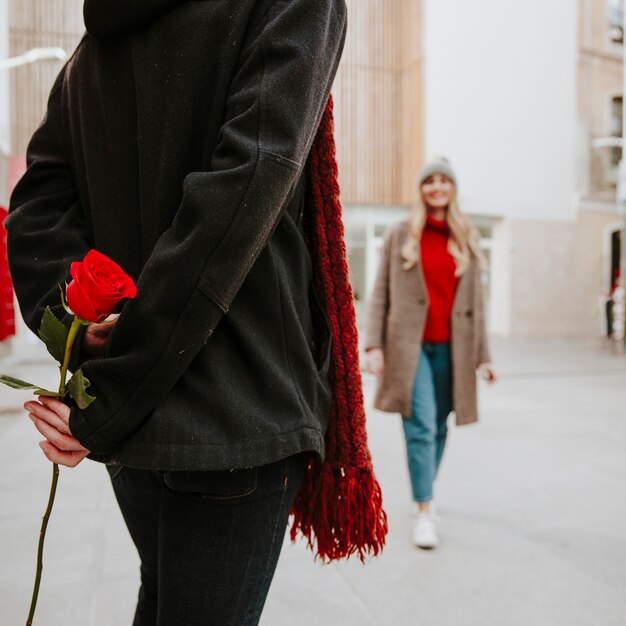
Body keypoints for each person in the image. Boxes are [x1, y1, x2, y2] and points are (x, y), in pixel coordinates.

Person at [6, 1, 387, 624]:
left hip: (140, 423)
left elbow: (39, 204)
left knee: (161, 598)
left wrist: (83, 330)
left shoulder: (93, 49)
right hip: (235, 410)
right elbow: (247, 185)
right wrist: (119, 389)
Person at [364, 156, 496, 550]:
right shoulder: (401, 233)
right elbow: (380, 293)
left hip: (453, 349)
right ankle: (425, 508)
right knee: (420, 424)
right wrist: (373, 345)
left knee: (438, 425)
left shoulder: (465, 235)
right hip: (411, 348)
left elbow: (477, 304)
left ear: (452, 188)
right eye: (429, 181)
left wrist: (483, 356)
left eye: (443, 181)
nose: (436, 187)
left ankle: (425, 488)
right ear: (421, 189)